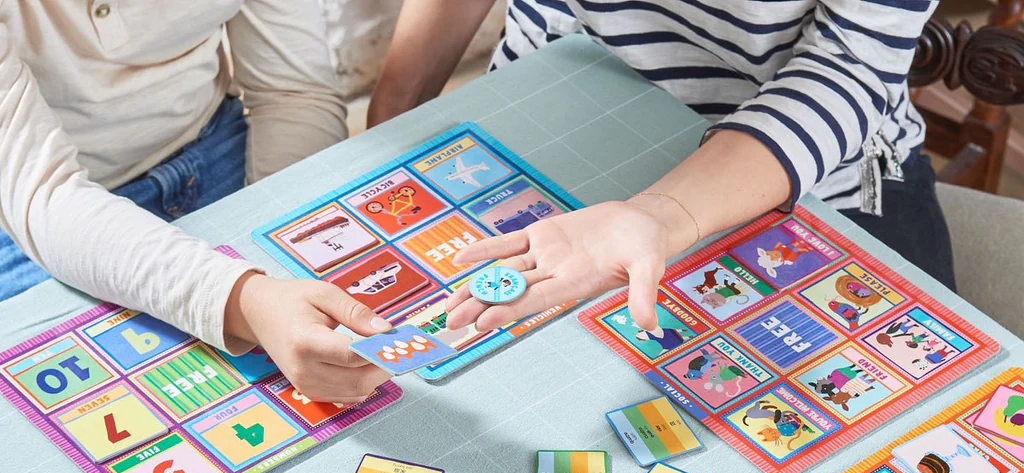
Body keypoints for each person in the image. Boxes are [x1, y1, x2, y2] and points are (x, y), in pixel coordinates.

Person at [368, 0, 950, 336]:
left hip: (795, 168)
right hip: (536, 118)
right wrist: (391, 116)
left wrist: (658, 213)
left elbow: (851, 65)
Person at [0, 2, 390, 404]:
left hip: (220, 144)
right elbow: (40, 194)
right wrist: (250, 300)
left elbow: (293, 93)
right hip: (35, 211)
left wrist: (284, 261)